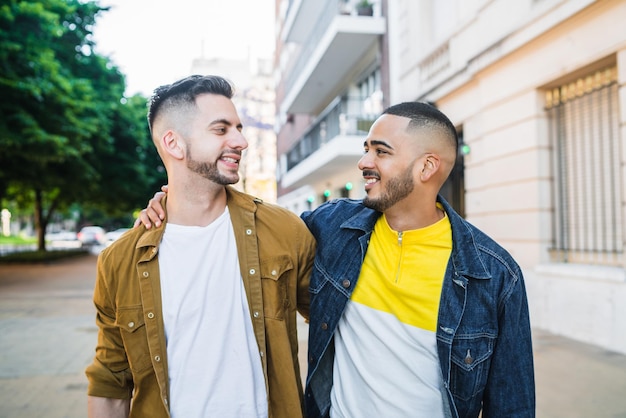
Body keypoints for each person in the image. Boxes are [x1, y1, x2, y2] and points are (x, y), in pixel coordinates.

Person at [140, 101, 535, 417]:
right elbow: (254, 228)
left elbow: (512, 406)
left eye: (381, 152)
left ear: (427, 167)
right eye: (366, 149)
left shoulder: (494, 275)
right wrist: (172, 202)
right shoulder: (333, 227)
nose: (364, 162)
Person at [85, 75, 316, 418]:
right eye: (221, 130)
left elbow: (337, 325)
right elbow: (111, 382)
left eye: (238, 127)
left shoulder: (283, 231)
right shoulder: (119, 261)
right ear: (174, 144)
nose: (241, 141)